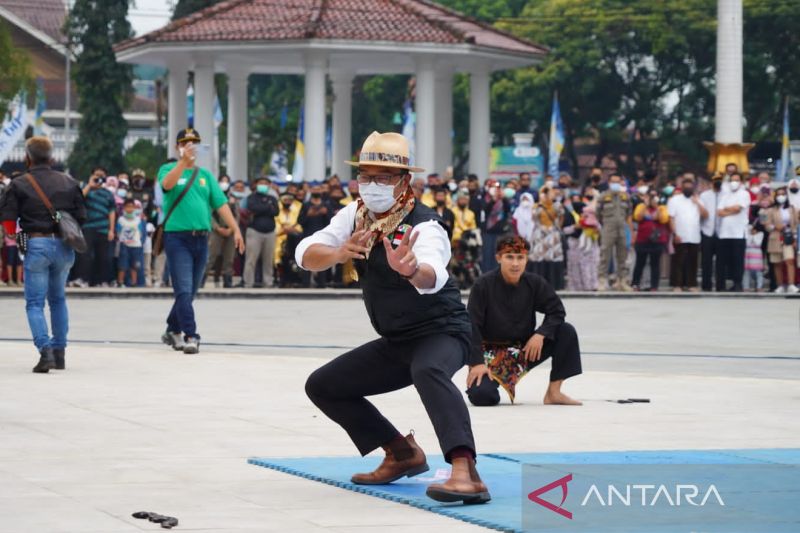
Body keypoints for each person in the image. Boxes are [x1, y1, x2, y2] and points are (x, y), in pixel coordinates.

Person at [300, 131, 490, 504]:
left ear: (404, 182)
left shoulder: (425, 224)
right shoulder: (354, 214)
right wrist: (338, 253)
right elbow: (306, 251)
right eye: (365, 177)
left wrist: (412, 270)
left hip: (444, 332)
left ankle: (465, 470)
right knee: (323, 384)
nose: (371, 186)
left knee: (428, 370)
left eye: (382, 178)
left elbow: (434, 272)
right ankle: (401, 452)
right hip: (398, 340)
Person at [0, 136, 86, 372]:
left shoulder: (18, 183)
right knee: (58, 299)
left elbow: (8, 223)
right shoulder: (69, 181)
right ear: (51, 157)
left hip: (36, 243)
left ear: (27, 157)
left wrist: (22, 242)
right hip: (64, 246)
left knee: (35, 303)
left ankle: (45, 351)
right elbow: (81, 218)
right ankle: (60, 353)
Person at [466, 235, 582, 407]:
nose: (515, 263)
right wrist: (476, 363)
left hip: (525, 350)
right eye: (509, 257)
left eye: (520, 258)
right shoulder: (483, 285)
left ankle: (554, 392)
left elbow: (557, 311)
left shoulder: (534, 283)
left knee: (566, 331)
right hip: (490, 354)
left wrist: (541, 334)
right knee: (483, 397)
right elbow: (471, 326)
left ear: (526, 259)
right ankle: (485, 383)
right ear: (498, 258)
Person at [158, 128, 244, 354]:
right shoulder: (168, 169)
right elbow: (167, 185)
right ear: (178, 146)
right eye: (185, 143)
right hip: (177, 238)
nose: (190, 146)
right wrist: (182, 162)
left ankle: (172, 329)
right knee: (184, 289)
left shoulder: (205, 176)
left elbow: (221, 204)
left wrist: (236, 229)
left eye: (194, 142)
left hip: (201, 239)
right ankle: (191, 334)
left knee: (191, 290)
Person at [74, 166, 115, 287]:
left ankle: (101, 281)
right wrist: (89, 185)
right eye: (97, 175)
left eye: (102, 176)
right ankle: (83, 279)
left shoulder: (108, 194)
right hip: (88, 227)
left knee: (103, 257)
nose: (99, 178)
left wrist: (111, 230)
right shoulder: (86, 189)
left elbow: (112, 211)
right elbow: (78, 199)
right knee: (85, 255)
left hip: (103, 228)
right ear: (92, 176)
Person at [667, 176, 707, 291]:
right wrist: (675, 234)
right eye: (686, 187)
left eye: (690, 187)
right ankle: (677, 285)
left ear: (693, 188)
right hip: (680, 235)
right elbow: (671, 218)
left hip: (694, 236)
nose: (688, 189)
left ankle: (691, 284)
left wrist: (697, 203)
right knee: (677, 261)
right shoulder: (674, 200)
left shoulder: (698, 200)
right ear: (682, 187)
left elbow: (705, 215)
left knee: (693, 262)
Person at [597, 174, 633, 291]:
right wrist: (606, 224)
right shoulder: (603, 197)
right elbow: (598, 214)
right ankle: (602, 280)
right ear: (609, 182)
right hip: (608, 228)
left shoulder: (625, 197)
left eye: (618, 182)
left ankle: (622, 281)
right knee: (605, 255)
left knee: (622, 255)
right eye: (613, 182)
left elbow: (628, 213)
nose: (616, 184)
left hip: (622, 228)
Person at [716, 173, 750, 292]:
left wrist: (727, 209)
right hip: (724, 233)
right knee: (723, 260)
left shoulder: (744, 194)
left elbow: (738, 209)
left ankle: (737, 284)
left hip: (738, 233)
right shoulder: (725, 195)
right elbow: (719, 212)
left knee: (737, 260)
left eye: (736, 180)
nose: (734, 182)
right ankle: (721, 285)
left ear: (741, 182)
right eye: (732, 180)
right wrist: (730, 210)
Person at [243, 176, 279, 288]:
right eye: (261, 182)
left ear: (269, 185)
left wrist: (264, 208)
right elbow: (253, 208)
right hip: (254, 232)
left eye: (266, 183)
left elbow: (276, 211)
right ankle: (248, 283)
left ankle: (268, 282)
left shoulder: (272, 198)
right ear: (256, 184)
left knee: (268, 260)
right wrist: (267, 207)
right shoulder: (251, 197)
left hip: (270, 232)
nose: (263, 185)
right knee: (251, 259)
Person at [631, 188, 669, 291]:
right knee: (640, 263)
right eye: (650, 196)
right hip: (642, 240)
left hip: (657, 240)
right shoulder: (640, 206)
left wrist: (656, 207)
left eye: (654, 196)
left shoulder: (662, 208)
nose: (653, 198)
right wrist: (646, 206)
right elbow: (637, 217)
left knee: (655, 264)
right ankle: (635, 284)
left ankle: (654, 286)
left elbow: (663, 219)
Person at [205, 180, 240, 288]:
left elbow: (237, 215)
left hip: (230, 231)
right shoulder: (211, 198)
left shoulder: (233, 200)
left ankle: (227, 280)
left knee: (229, 257)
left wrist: (232, 228)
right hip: (216, 231)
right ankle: (201, 279)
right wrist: (217, 228)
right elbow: (208, 215)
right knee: (211, 256)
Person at [528, 186, 565, 288]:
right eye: (544, 193)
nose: (546, 195)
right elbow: (533, 218)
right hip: (540, 234)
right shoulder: (537, 206)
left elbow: (561, 217)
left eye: (548, 192)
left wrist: (557, 227)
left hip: (552, 234)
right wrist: (541, 203)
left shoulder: (557, 205)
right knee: (539, 256)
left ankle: (555, 284)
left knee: (553, 257)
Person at [765, 185, 798, 293]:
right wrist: (775, 227)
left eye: (783, 194)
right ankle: (780, 285)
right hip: (775, 237)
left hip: (788, 237)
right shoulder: (770, 210)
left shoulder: (792, 209)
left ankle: (791, 284)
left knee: (789, 260)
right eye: (778, 194)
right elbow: (766, 225)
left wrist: (795, 238)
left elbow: (796, 224)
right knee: (777, 262)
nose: (781, 196)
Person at [699, 175, 723, 291]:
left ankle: (720, 286)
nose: (717, 183)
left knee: (721, 262)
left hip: (722, 232)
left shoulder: (726, 194)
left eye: (719, 181)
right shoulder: (704, 195)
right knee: (706, 261)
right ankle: (706, 285)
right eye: (715, 181)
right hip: (707, 230)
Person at [115, 198, 146, 287]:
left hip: (136, 245)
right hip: (124, 245)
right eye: (127, 207)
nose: (130, 209)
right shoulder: (120, 219)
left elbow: (141, 231)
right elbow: (118, 231)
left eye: (132, 207)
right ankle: (120, 282)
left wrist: (137, 240)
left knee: (135, 265)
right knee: (122, 264)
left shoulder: (138, 220)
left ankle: (134, 282)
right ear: (124, 208)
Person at [743, 225, 765, 292]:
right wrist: (749, 233)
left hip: (757, 256)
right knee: (746, 272)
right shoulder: (748, 235)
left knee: (759, 272)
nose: (752, 231)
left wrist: (753, 235)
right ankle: (746, 287)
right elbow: (747, 242)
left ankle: (759, 287)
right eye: (751, 229)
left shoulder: (761, 234)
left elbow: (758, 243)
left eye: (754, 229)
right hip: (748, 256)